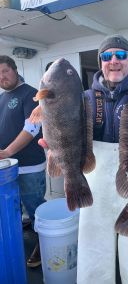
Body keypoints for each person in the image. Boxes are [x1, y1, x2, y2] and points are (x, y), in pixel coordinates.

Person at [76, 34, 128, 284]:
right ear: (100, 62)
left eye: (121, 55)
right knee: (93, 248)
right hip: (96, 181)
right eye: (107, 56)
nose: (114, 61)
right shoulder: (84, 98)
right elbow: (71, 138)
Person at [0, 55, 46, 268]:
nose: (2, 77)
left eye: (4, 71)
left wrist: (7, 151)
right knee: (15, 204)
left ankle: (43, 243)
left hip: (29, 166)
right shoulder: (2, 97)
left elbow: (32, 128)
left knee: (35, 205)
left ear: (15, 70)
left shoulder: (30, 94)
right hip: (8, 167)